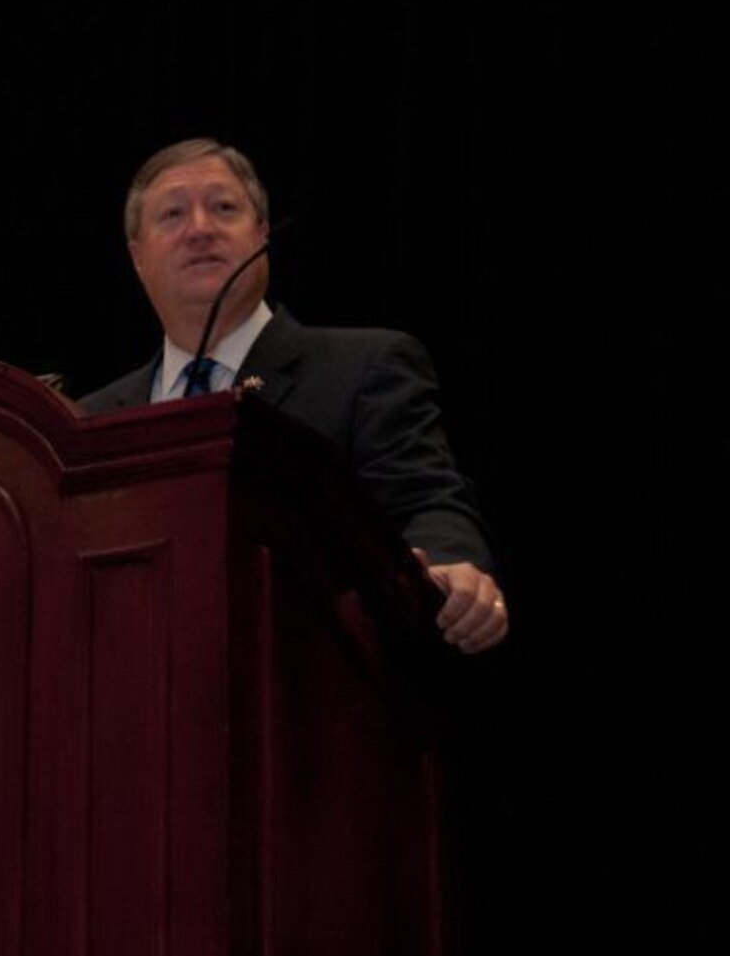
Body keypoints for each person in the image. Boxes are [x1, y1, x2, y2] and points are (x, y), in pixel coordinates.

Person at [77, 138, 508, 653]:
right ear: (137, 258)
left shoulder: (365, 367)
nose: (200, 229)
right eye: (172, 215)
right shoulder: (90, 421)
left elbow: (427, 500)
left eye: (224, 208)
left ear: (261, 235)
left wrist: (450, 567)